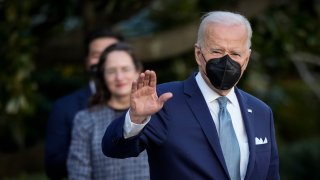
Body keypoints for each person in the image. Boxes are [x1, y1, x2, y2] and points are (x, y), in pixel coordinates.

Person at [102, 11, 280, 180]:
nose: (226, 61)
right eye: (216, 51)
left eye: (235, 53)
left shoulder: (261, 112)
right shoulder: (163, 101)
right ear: (198, 54)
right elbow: (114, 149)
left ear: (246, 59)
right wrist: (136, 119)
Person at [45, 28, 123, 179]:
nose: (104, 60)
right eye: (96, 55)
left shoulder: (143, 105)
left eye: (111, 52)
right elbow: (53, 168)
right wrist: (87, 146)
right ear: (87, 62)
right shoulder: (64, 107)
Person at [67, 42, 149, 179]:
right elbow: (79, 174)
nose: (119, 77)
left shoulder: (156, 114)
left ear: (137, 71)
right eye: (111, 71)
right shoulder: (85, 119)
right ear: (103, 76)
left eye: (125, 69)